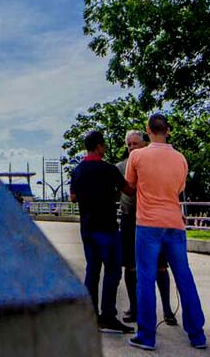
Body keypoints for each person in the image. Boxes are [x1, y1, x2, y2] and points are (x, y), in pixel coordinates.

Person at [125, 113, 207, 351]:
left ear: (148, 131)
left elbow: (130, 185)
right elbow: (179, 188)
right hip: (174, 223)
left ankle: (147, 336)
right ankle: (197, 334)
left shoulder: (137, 156)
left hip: (148, 224)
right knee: (184, 277)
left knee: (145, 279)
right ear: (167, 130)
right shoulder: (180, 159)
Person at [70, 130, 134, 333]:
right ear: (98, 147)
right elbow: (129, 190)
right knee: (113, 271)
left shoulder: (78, 171)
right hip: (107, 228)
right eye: (103, 145)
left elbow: (72, 197)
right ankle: (108, 315)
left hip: (87, 228)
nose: (105, 148)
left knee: (93, 270)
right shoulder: (109, 169)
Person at [116, 130, 175, 326]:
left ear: (144, 144)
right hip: (129, 219)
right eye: (129, 144)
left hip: (153, 220)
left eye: (136, 144)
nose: (132, 147)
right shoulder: (119, 168)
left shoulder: (155, 164)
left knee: (160, 266)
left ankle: (167, 310)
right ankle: (134, 307)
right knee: (130, 266)